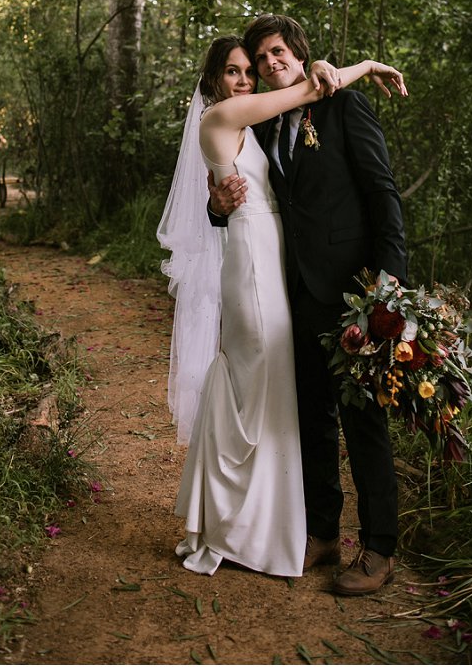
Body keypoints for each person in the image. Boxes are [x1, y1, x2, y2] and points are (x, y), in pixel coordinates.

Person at [160, 35, 405, 578]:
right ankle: (320, 533)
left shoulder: (341, 105)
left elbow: (382, 192)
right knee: (308, 415)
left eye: (274, 56)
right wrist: (216, 205)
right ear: (217, 80)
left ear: (298, 52)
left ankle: (379, 548)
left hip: (351, 288)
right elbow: (244, 192)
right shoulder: (260, 120)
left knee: (361, 421)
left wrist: (389, 281)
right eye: (244, 66)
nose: (258, 71)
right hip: (283, 286)